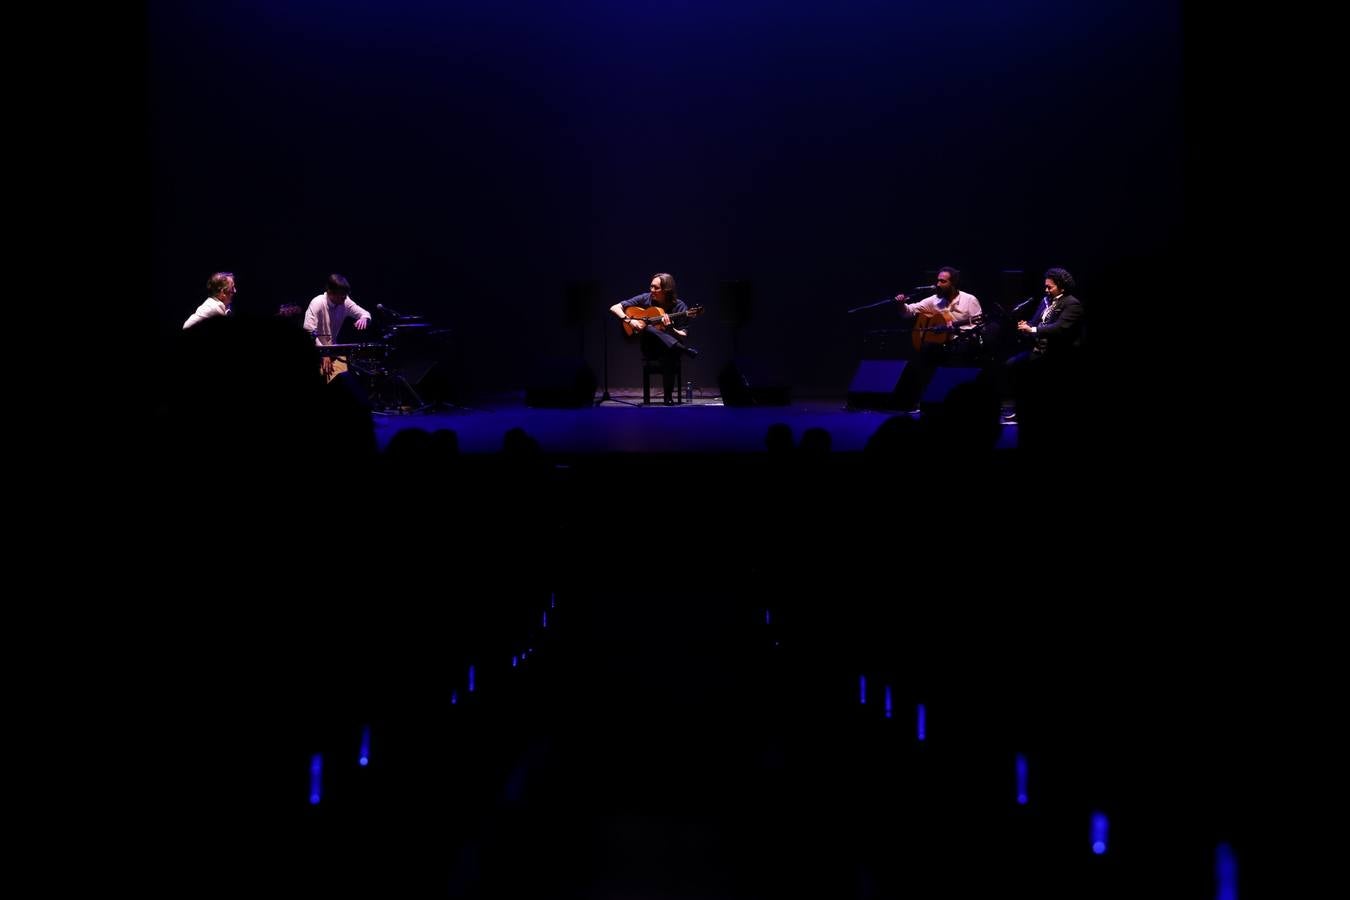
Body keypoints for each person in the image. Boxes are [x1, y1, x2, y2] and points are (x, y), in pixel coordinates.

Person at [892, 266, 982, 410]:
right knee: (923, 353)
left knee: (959, 354)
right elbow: (909, 312)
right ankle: (926, 400)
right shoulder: (934, 300)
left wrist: (957, 329)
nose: (938, 284)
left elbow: (978, 324)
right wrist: (901, 304)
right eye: (937, 281)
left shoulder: (969, 300)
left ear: (953, 283)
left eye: (943, 281)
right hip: (941, 345)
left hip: (962, 342)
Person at [1002, 266, 1087, 420]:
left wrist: (1033, 330)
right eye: (1045, 286)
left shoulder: (1072, 304)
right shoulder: (1046, 301)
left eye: (1050, 287)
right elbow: (1036, 321)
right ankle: (1020, 406)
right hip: (1039, 350)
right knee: (1011, 364)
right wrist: (1025, 326)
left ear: (1062, 286)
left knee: (1031, 371)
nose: (1046, 290)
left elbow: (1060, 328)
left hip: (1058, 352)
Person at [608, 272, 700, 405]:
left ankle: (667, 397)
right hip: (650, 347)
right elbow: (614, 307)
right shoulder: (646, 298)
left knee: (669, 351)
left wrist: (670, 329)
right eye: (651, 286)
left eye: (656, 288)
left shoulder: (680, 307)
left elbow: (684, 334)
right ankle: (684, 350)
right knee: (649, 328)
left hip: (669, 348)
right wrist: (629, 321)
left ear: (667, 290)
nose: (652, 290)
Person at [302, 273, 372, 382]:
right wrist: (324, 353)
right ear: (331, 292)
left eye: (345, 294)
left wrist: (364, 318)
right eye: (342, 295)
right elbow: (309, 332)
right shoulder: (318, 302)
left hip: (331, 352)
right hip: (316, 352)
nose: (345, 297)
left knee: (349, 376)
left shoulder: (345, 301)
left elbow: (365, 313)